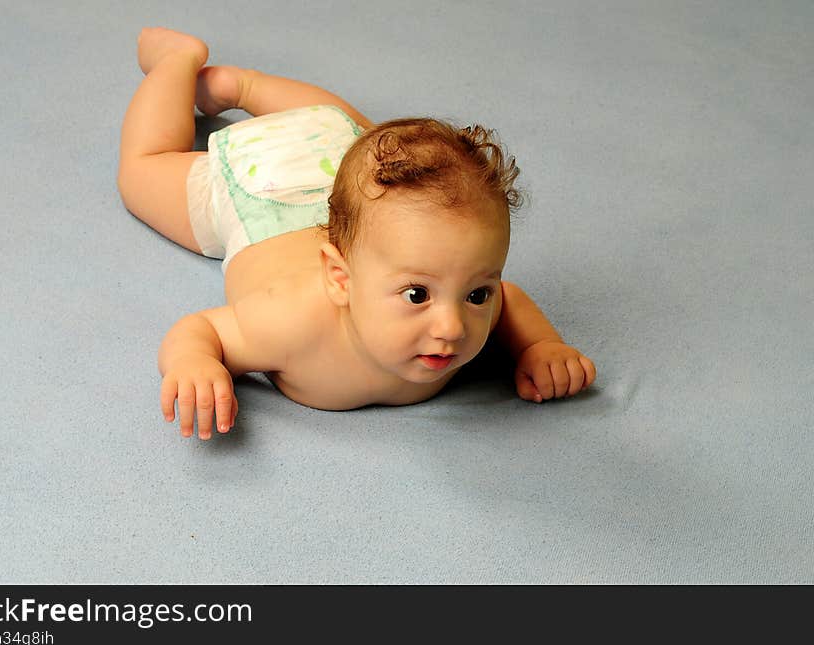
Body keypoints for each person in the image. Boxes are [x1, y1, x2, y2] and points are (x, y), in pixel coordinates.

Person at [118, 28, 597, 439]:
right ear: (340, 279)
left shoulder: (463, 301)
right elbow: (200, 331)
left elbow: (508, 300)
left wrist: (540, 347)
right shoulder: (291, 323)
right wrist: (194, 364)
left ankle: (241, 85)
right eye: (416, 295)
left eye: (476, 293)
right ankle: (180, 61)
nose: (453, 328)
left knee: (361, 139)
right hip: (264, 190)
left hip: (341, 163)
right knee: (144, 172)